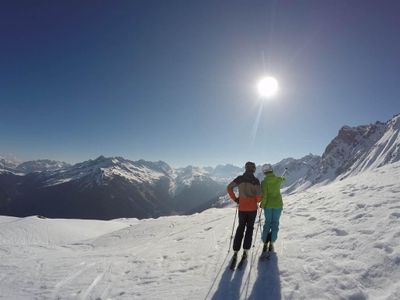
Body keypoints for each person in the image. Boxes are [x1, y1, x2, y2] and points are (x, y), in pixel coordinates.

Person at [227, 161, 262, 263]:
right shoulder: (256, 181)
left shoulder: (239, 179)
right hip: (252, 209)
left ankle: (235, 251)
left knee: (240, 228)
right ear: (254, 169)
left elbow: (229, 188)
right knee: (249, 229)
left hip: (242, 208)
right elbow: (259, 198)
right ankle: (246, 251)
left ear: (245, 168)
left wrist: (236, 199)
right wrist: (256, 200)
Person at [260, 163, 285, 254]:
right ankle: (272, 241)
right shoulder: (278, 179)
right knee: (275, 223)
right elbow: (283, 179)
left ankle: (265, 241)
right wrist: (281, 178)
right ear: (272, 170)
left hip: (268, 206)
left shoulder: (264, 182)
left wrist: (262, 204)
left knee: (268, 223)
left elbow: (265, 196)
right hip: (278, 205)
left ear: (264, 172)